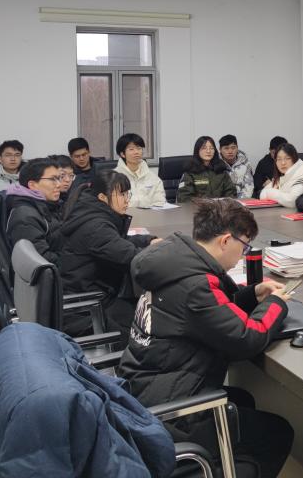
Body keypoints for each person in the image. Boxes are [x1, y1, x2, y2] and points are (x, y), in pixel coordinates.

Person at [119, 199, 293, 478]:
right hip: (172, 416)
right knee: (277, 432)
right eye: (244, 247)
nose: (242, 255)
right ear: (225, 240)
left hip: (144, 389)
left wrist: (252, 294)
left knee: (242, 399)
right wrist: (276, 304)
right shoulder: (196, 285)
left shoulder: (173, 262)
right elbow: (249, 337)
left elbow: (204, 311)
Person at [57, 171, 158, 337]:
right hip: (87, 308)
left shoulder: (90, 212)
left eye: (128, 193)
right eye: (122, 194)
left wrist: (148, 241)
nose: (127, 199)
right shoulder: (96, 226)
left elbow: (117, 242)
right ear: (103, 198)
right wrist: (166, 254)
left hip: (91, 294)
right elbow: (132, 257)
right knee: (151, 327)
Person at [5, 158, 64, 265]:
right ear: (32, 185)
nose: (59, 184)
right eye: (53, 179)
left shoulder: (48, 204)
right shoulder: (25, 218)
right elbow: (41, 260)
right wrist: (76, 260)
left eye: (59, 178)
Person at [177, 136, 238, 202]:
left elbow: (231, 193)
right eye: (204, 148)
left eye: (211, 148)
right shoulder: (190, 172)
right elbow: (184, 197)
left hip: (220, 207)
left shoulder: (221, 170)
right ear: (197, 150)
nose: (208, 151)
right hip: (197, 208)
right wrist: (204, 204)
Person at [259, 143, 303, 209]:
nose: (283, 163)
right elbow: (262, 194)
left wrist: (270, 193)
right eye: (279, 159)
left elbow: (292, 201)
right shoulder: (284, 176)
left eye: (287, 158)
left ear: (294, 159)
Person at [114, 133, 165, 208]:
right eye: (131, 149)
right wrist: (145, 202)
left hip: (150, 214)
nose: (136, 152)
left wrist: (134, 202)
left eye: (139, 148)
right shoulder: (114, 177)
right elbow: (117, 204)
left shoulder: (152, 177)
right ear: (122, 154)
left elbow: (160, 202)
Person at [219, 134, 254, 199]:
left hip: (242, 200)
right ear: (220, 149)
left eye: (233, 148)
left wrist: (239, 201)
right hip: (221, 201)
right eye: (226, 148)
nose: (230, 151)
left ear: (237, 148)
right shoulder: (215, 164)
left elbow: (249, 187)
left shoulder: (246, 164)